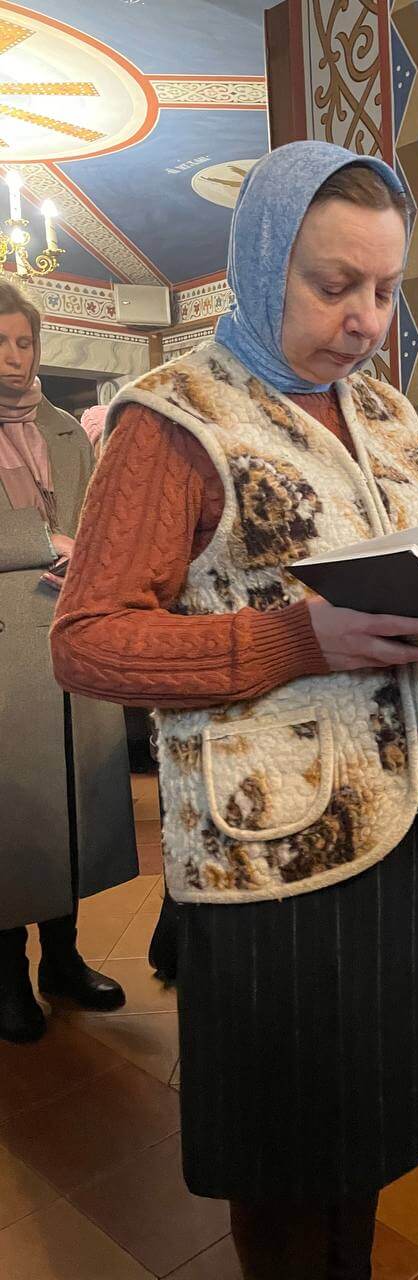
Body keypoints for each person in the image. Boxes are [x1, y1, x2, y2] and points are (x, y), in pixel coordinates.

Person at [51, 142, 418, 1280]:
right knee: (292, 1151)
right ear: (261, 263)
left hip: (411, 825)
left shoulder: (387, 413)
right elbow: (87, 641)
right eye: (334, 284)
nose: (366, 320)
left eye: (385, 289)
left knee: (370, 1127)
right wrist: (298, 637)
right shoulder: (172, 419)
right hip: (274, 851)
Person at [0, 281, 133, 1044]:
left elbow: (95, 522)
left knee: (72, 813)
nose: (14, 358)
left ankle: (63, 961)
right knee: (13, 817)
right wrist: (40, 541)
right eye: (0, 342)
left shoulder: (65, 431)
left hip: (68, 635)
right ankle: (6, 977)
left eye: (25, 342)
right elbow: (56, 534)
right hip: (4, 652)